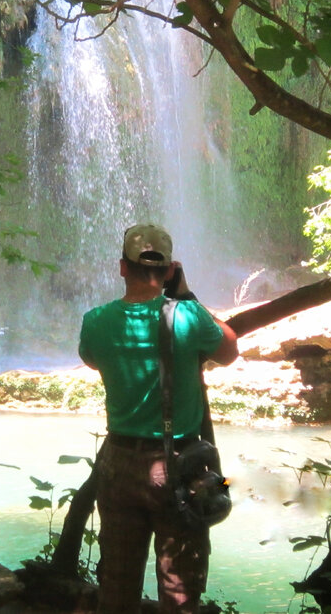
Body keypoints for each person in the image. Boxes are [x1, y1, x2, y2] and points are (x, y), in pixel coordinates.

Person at [79, 223, 239, 614]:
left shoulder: (95, 320)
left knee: (116, 583)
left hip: (117, 462)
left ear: (122, 267)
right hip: (178, 466)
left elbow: (91, 359)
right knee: (179, 589)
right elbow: (230, 350)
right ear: (169, 270)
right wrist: (184, 293)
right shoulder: (186, 316)